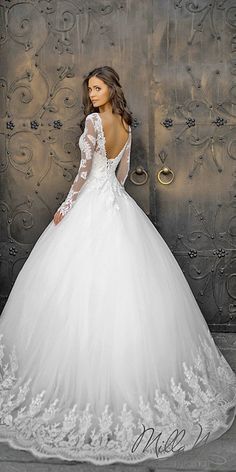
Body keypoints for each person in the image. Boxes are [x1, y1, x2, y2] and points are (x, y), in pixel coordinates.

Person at [0, 65, 235, 466]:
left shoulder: (94, 122)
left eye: (96, 87)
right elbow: (120, 172)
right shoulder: (125, 123)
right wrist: (113, 198)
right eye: (88, 89)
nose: (91, 94)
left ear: (110, 88)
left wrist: (67, 207)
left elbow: (83, 173)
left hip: (91, 201)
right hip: (115, 203)